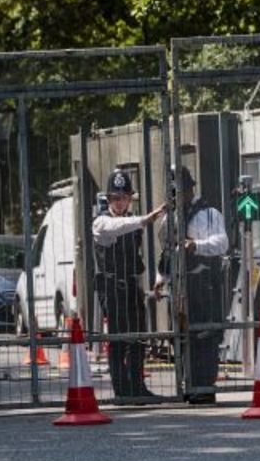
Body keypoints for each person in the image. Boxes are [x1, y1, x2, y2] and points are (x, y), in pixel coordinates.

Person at [154, 166, 229, 404]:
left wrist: (197, 245)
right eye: (173, 193)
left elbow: (222, 243)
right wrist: (161, 279)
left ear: (190, 189)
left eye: (181, 191)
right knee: (183, 337)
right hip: (179, 286)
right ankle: (188, 384)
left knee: (205, 335)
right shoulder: (170, 217)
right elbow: (166, 251)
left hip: (203, 282)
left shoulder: (209, 214)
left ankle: (205, 386)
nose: (177, 197)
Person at [92, 169, 169, 399]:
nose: (120, 202)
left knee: (138, 338)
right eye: (116, 197)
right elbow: (121, 226)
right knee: (118, 340)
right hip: (112, 288)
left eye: (124, 197)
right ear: (108, 199)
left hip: (131, 286)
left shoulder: (131, 221)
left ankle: (137, 387)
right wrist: (146, 219)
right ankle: (122, 391)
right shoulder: (101, 222)